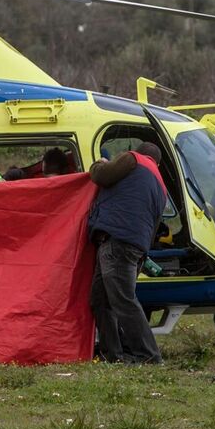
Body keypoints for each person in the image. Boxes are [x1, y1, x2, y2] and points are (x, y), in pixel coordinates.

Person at [87, 142, 167, 364]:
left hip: (117, 241)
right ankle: (111, 355)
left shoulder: (133, 160)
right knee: (100, 300)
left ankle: (149, 356)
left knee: (123, 300)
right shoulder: (160, 185)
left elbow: (102, 176)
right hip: (135, 246)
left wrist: (99, 164)